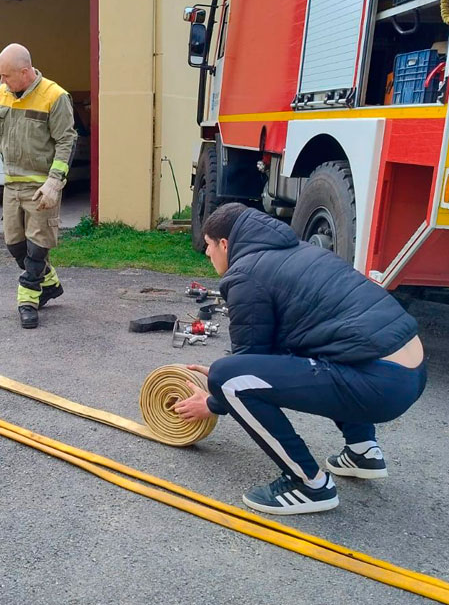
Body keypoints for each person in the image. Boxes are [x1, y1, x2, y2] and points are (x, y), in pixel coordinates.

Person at [174, 203, 426, 515]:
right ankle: (363, 450)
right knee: (312, 347)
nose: (208, 255)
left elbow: (242, 371)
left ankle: (309, 484)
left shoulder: (244, 274)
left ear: (224, 244)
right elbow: (273, 354)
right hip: (411, 374)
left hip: (379, 384)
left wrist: (212, 400)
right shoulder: (300, 252)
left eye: (209, 246)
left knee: (228, 379)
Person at [0, 43, 77, 329]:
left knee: (38, 246)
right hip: (12, 186)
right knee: (15, 244)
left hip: (42, 187)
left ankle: (28, 299)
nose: (2, 82)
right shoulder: (3, 94)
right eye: (0, 76)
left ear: (25, 71)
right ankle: (51, 284)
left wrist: (55, 183)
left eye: (6, 76)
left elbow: (67, 141)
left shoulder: (55, 97)